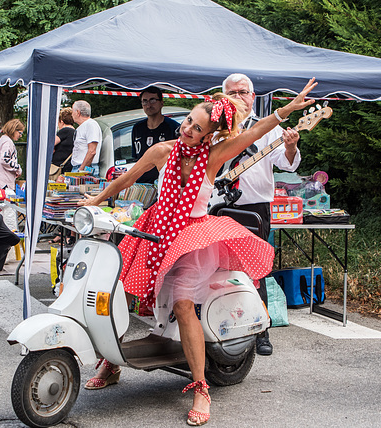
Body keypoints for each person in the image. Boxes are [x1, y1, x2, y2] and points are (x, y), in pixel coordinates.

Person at [80, 79, 317, 426]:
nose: (188, 129)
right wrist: (96, 200)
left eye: (196, 127)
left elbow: (255, 134)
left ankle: (201, 387)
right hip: (157, 230)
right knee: (123, 292)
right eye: (188, 121)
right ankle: (113, 361)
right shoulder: (163, 151)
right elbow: (127, 178)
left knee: (183, 305)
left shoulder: (214, 157)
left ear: (209, 135)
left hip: (191, 238)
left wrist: (286, 110)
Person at [219, 73, 302, 356]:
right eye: (232, 92)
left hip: (255, 207)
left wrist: (290, 146)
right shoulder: (216, 125)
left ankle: (261, 330)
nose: (238, 96)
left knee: (256, 269)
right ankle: (221, 324)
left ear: (253, 96)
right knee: (218, 266)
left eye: (243, 92)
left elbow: (287, 165)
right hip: (219, 205)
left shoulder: (267, 127)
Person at [131, 86, 180, 183]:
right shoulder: (137, 128)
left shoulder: (174, 128)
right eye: (145, 101)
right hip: (143, 186)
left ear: (161, 103)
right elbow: (137, 159)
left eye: (152, 100)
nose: (148, 105)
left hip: (166, 184)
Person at [71, 100, 102, 176]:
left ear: (78, 112)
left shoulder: (91, 125)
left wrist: (81, 170)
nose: (71, 115)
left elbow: (92, 151)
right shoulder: (85, 126)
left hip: (85, 167)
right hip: (81, 167)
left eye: (72, 111)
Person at [0, 119, 23, 191]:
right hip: (2, 183)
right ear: (13, 129)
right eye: (20, 133)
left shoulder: (3, 139)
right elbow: (4, 159)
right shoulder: (7, 142)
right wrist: (17, 168)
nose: (20, 136)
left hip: (0, 181)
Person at [52, 107, 76, 175]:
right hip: (69, 165)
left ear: (61, 121)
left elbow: (51, 144)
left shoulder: (64, 131)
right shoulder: (75, 132)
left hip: (59, 166)